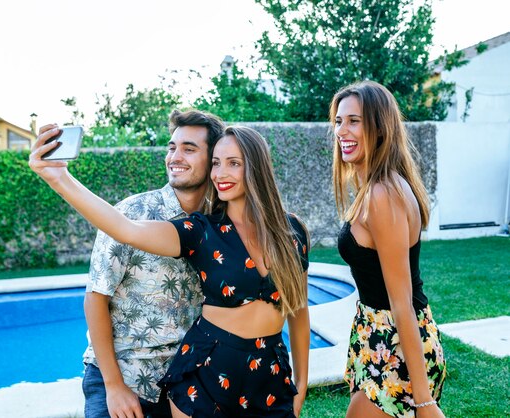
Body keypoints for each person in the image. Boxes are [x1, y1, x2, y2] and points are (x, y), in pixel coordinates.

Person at [29, 124, 311, 418]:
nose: (220, 174)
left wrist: (301, 384)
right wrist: (59, 178)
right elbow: (125, 228)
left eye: (234, 163)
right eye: (216, 163)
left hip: (270, 375)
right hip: (206, 375)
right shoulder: (201, 231)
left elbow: (299, 310)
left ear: (256, 168)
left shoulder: (293, 231)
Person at [76, 109, 225, 418]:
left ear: (213, 159)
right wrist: (114, 386)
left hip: (186, 380)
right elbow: (95, 298)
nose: (175, 156)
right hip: (122, 375)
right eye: (172, 147)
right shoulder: (130, 213)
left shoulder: (220, 223)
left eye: (189, 148)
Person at [330, 81, 446, 418]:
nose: (342, 131)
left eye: (355, 121)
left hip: (395, 347)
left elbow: (402, 302)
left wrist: (424, 402)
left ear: (380, 127)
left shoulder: (384, 194)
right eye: (339, 121)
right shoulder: (374, 187)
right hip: (374, 337)